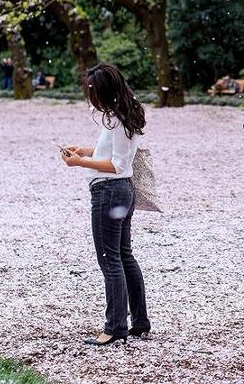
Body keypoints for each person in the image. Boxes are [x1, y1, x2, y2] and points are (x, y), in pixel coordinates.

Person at [60, 63, 151, 346]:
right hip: (121, 192)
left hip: (110, 192)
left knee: (110, 259)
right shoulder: (122, 114)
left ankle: (114, 327)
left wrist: (80, 163)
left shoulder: (120, 120)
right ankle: (139, 321)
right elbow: (111, 151)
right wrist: (84, 151)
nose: (91, 98)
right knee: (124, 256)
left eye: (93, 92)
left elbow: (117, 164)